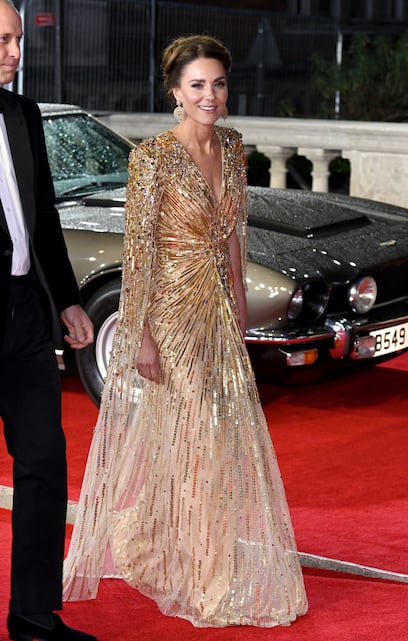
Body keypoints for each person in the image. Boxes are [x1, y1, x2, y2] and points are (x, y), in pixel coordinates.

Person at [63, 34, 308, 627]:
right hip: (170, 313)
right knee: (199, 431)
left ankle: (172, 536)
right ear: (175, 91)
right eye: (197, 84)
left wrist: (241, 304)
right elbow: (140, 251)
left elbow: (233, 232)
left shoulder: (232, 146)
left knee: (216, 435)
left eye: (218, 83)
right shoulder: (151, 158)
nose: (210, 95)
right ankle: (203, 574)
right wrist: (140, 334)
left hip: (220, 311)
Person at [0, 1, 98, 639]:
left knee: (43, 462)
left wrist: (65, 298)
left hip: (25, 314)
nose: (15, 51)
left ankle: (34, 618)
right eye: (3, 40)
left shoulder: (23, 112)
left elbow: (43, 216)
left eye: (15, 39)